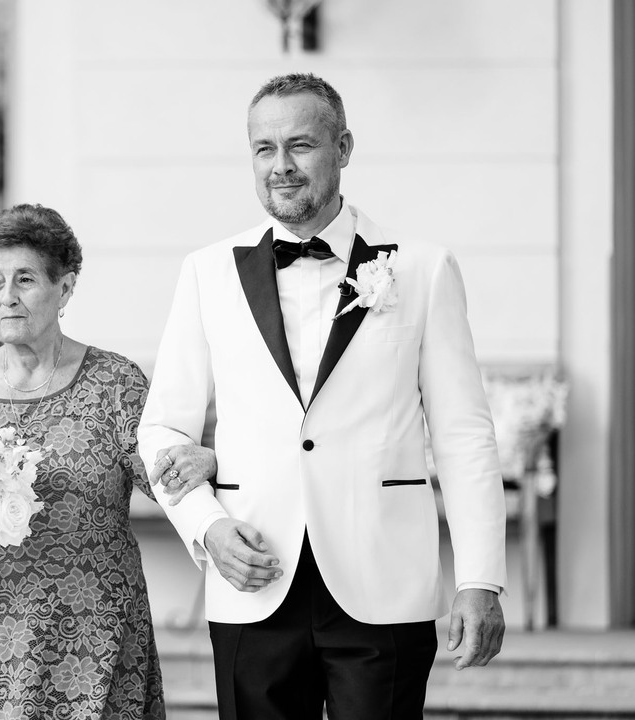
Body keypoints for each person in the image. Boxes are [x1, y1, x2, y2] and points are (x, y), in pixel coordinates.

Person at [137, 73, 506, 719]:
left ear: (344, 147)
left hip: (383, 579)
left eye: (301, 145)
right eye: (263, 148)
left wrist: (480, 579)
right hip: (251, 575)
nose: (281, 166)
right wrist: (208, 528)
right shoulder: (206, 271)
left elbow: (463, 435)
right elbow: (162, 431)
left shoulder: (422, 269)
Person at [0, 203, 165, 720]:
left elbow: (164, 481)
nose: (7, 298)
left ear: (64, 288)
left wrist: (204, 461)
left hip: (95, 643)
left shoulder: (115, 384)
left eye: (25, 280)